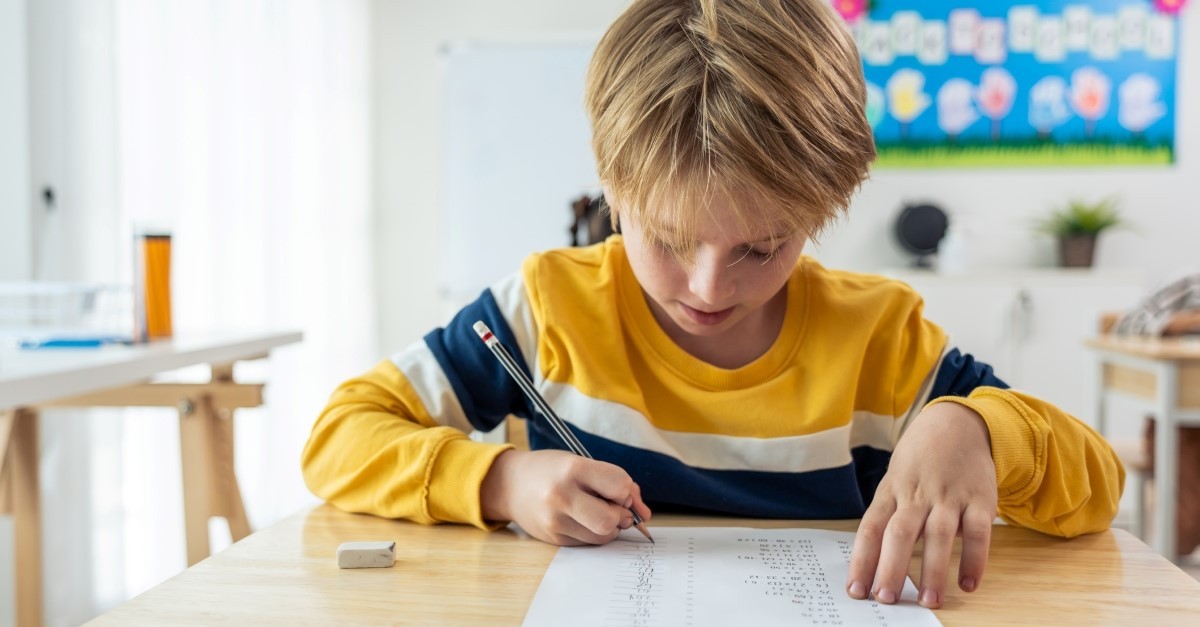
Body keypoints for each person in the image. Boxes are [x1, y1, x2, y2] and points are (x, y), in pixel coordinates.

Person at [302, 0, 1123, 610]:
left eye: (760, 248)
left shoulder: (879, 337)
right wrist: (499, 479)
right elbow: (340, 436)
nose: (706, 288)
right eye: (664, 236)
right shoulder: (547, 305)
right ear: (611, 189)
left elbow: (1098, 488)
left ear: (822, 207)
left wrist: (976, 427)